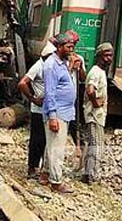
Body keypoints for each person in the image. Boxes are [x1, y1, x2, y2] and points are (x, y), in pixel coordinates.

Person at [40, 30, 78, 193]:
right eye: (69, 47)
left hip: (65, 111)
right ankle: (56, 182)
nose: (72, 50)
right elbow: (50, 92)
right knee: (57, 149)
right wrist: (53, 117)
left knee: (52, 145)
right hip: (58, 113)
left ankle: (45, 174)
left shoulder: (62, 63)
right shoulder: (51, 65)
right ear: (60, 47)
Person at [17, 41, 56, 178]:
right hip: (38, 110)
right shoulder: (39, 66)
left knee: (46, 140)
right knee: (37, 140)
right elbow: (22, 83)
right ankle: (32, 167)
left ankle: (42, 167)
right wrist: (32, 98)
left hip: (49, 110)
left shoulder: (50, 67)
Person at [82, 42, 113, 184]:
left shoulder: (100, 72)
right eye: (106, 55)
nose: (109, 59)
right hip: (94, 115)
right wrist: (95, 102)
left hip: (97, 115)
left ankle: (87, 174)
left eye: (111, 55)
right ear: (99, 56)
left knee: (93, 144)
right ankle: (92, 176)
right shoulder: (95, 72)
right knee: (97, 145)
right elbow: (90, 90)